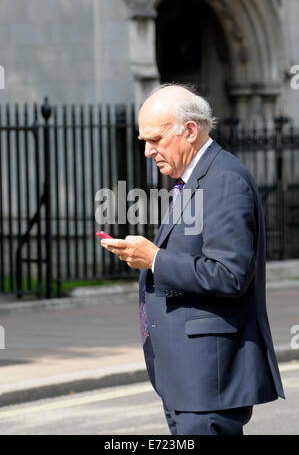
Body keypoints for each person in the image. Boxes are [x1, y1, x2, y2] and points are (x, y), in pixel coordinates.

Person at [100, 84, 285, 435]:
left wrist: (154, 259)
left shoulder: (224, 180)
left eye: (154, 139)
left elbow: (229, 275)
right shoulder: (195, 179)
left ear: (189, 131)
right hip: (187, 379)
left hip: (208, 382)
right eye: (143, 140)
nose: (147, 151)